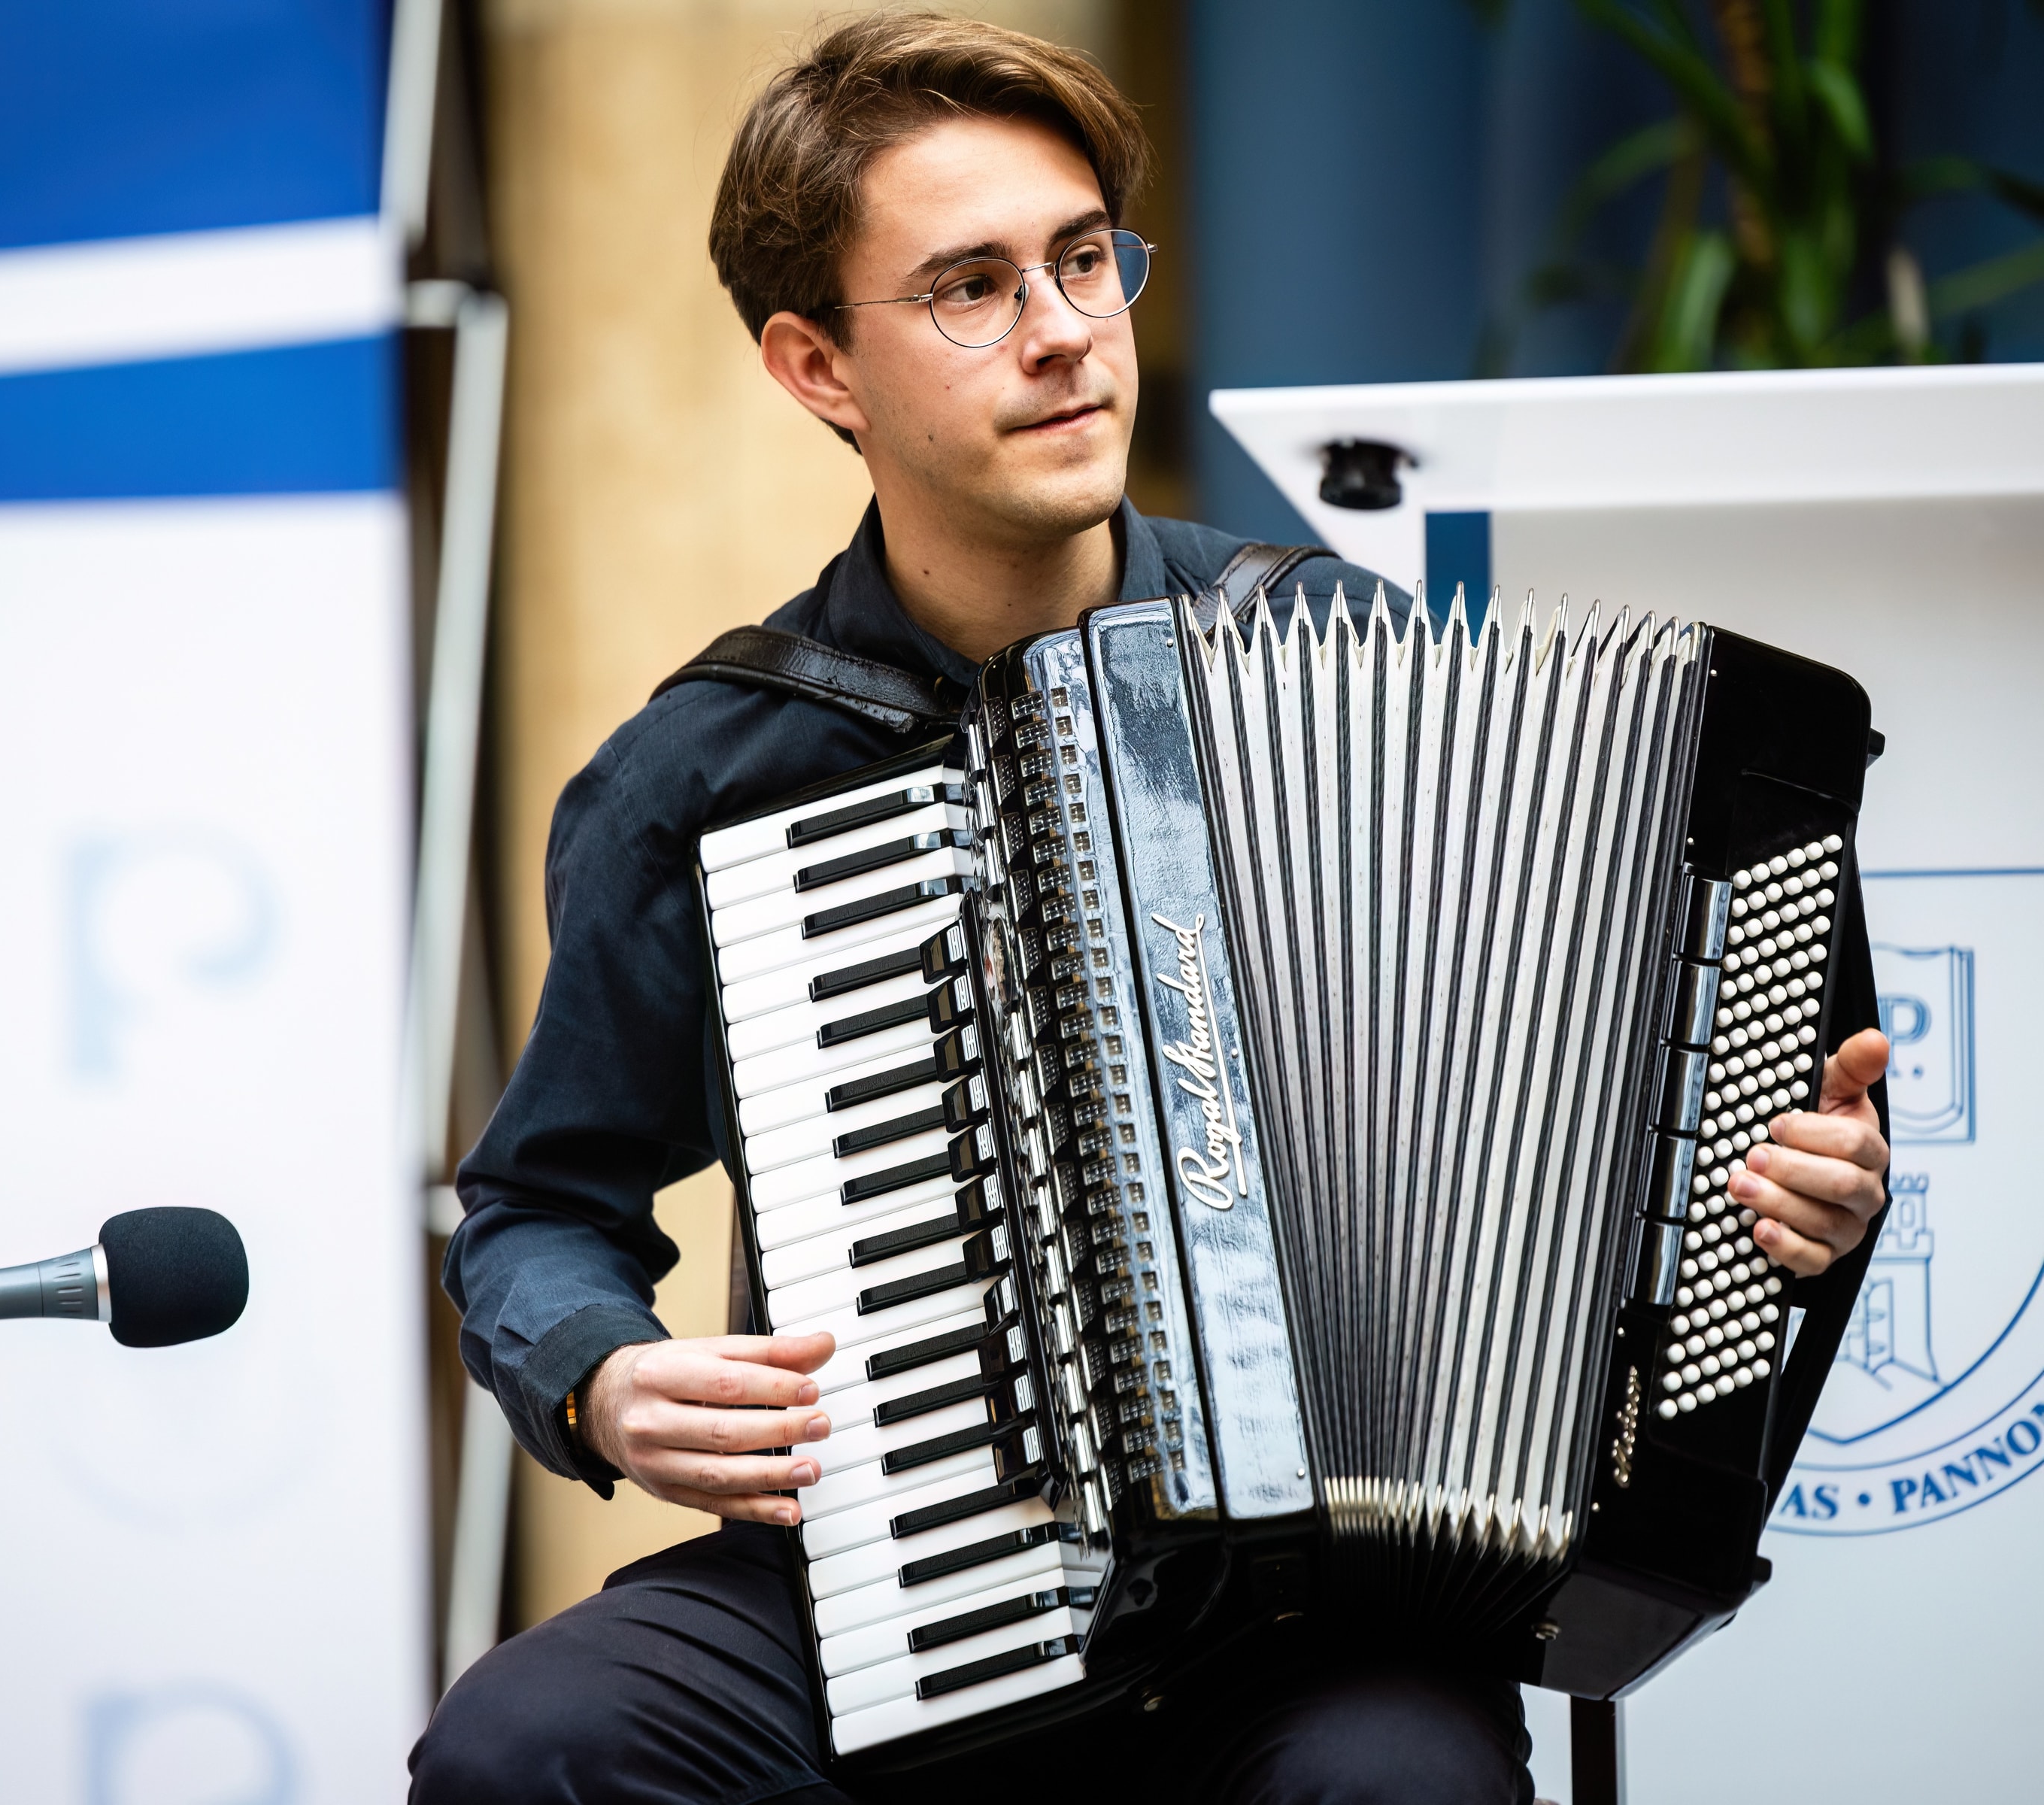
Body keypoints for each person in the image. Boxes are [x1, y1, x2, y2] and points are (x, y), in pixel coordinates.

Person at [411, 14, 1894, 1804]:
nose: (1062, 331)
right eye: (969, 288)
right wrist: (603, 1378)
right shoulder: (719, 771)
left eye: (1082, 259)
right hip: (904, 1571)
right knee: (529, 1748)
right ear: (817, 365)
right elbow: (539, 1208)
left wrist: (1790, 1196)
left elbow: (1611, 1125)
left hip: (1321, 1621)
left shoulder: (1340, 659)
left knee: (1400, 1789)